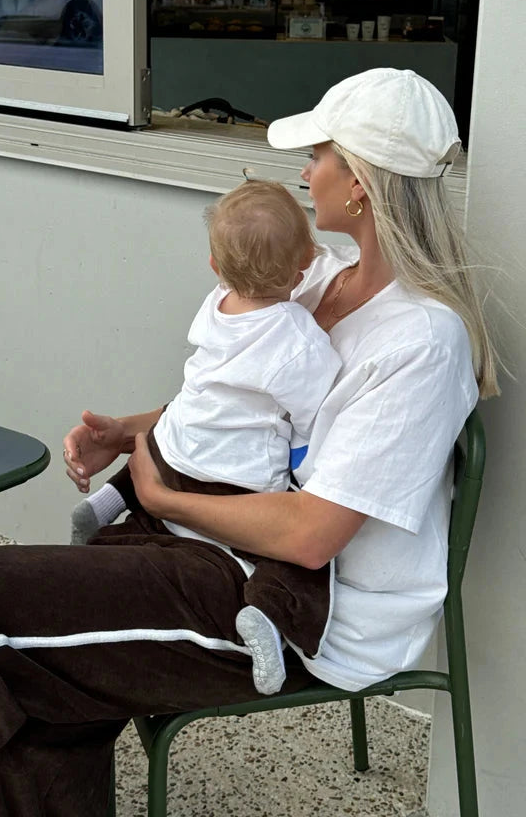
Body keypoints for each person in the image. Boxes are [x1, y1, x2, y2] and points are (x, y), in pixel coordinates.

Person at [0, 68, 499, 817]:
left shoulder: (422, 340)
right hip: (200, 541)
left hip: (292, 610)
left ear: (362, 181)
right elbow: (236, 405)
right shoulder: (319, 279)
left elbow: (312, 538)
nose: (304, 173)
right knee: (35, 676)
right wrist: (133, 431)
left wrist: (158, 493)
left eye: (319, 156)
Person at [70, 179, 342, 694]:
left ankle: (106, 508)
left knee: (160, 442)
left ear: (215, 268)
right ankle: (268, 616)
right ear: (303, 269)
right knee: (299, 555)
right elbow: (315, 411)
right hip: (235, 480)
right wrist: (302, 460)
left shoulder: (214, 305)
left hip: (176, 448)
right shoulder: (297, 335)